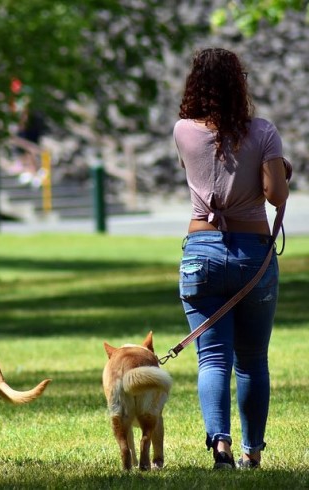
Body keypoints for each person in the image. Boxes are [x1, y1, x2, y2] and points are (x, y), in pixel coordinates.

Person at [173, 48, 289, 470]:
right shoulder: (263, 132)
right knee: (253, 360)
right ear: (239, 84)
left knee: (213, 357)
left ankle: (218, 446)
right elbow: (274, 194)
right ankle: (252, 452)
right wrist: (278, 166)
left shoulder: (182, 130)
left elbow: (212, 168)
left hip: (199, 255)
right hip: (251, 254)